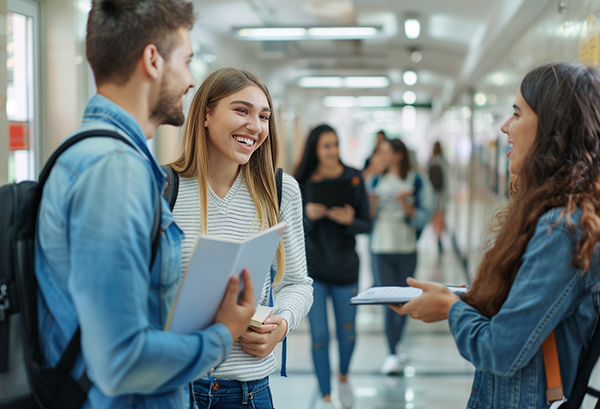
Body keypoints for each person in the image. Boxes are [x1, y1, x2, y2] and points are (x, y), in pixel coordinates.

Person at [34, 2, 257, 408]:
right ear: (153, 60)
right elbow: (121, 360)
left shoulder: (101, 157)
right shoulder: (114, 171)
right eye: (186, 61)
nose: (191, 81)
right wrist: (223, 333)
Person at [393, 63, 600, 408]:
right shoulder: (559, 216)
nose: (505, 127)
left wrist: (449, 308)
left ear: (552, 128)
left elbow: (501, 349)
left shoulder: (561, 230)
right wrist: (457, 301)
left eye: (517, 114)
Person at [166, 67, 314, 409]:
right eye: (241, 110)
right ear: (206, 114)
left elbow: (298, 283)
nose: (256, 126)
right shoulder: (162, 189)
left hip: (248, 393)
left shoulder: (280, 192)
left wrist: (281, 325)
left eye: (263, 116)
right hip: (176, 387)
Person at [294, 124, 372, 409]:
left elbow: (367, 223)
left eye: (335, 145)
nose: (332, 151)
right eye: (326, 146)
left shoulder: (353, 178)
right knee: (319, 336)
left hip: (345, 269)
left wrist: (350, 220)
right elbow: (289, 229)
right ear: (315, 149)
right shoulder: (300, 180)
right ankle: (326, 395)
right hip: (312, 271)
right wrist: (308, 214)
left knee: (347, 331)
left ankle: (343, 377)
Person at [369, 138, 430, 375]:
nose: (381, 156)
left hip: (406, 248)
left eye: (385, 152)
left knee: (404, 300)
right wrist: (371, 203)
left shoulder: (415, 180)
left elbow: (424, 216)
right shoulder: (375, 180)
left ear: (397, 155)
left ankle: (398, 342)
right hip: (380, 248)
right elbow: (368, 219)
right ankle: (392, 352)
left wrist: (406, 204)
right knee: (388, 301)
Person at [427, 141, 449, 254]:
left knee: (434, 217)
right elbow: (447, 181)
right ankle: (439, 236)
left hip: (432, 196)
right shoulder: (444, 162)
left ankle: (436, 234)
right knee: (441, 217)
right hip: (442, 196)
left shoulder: (430, 161)